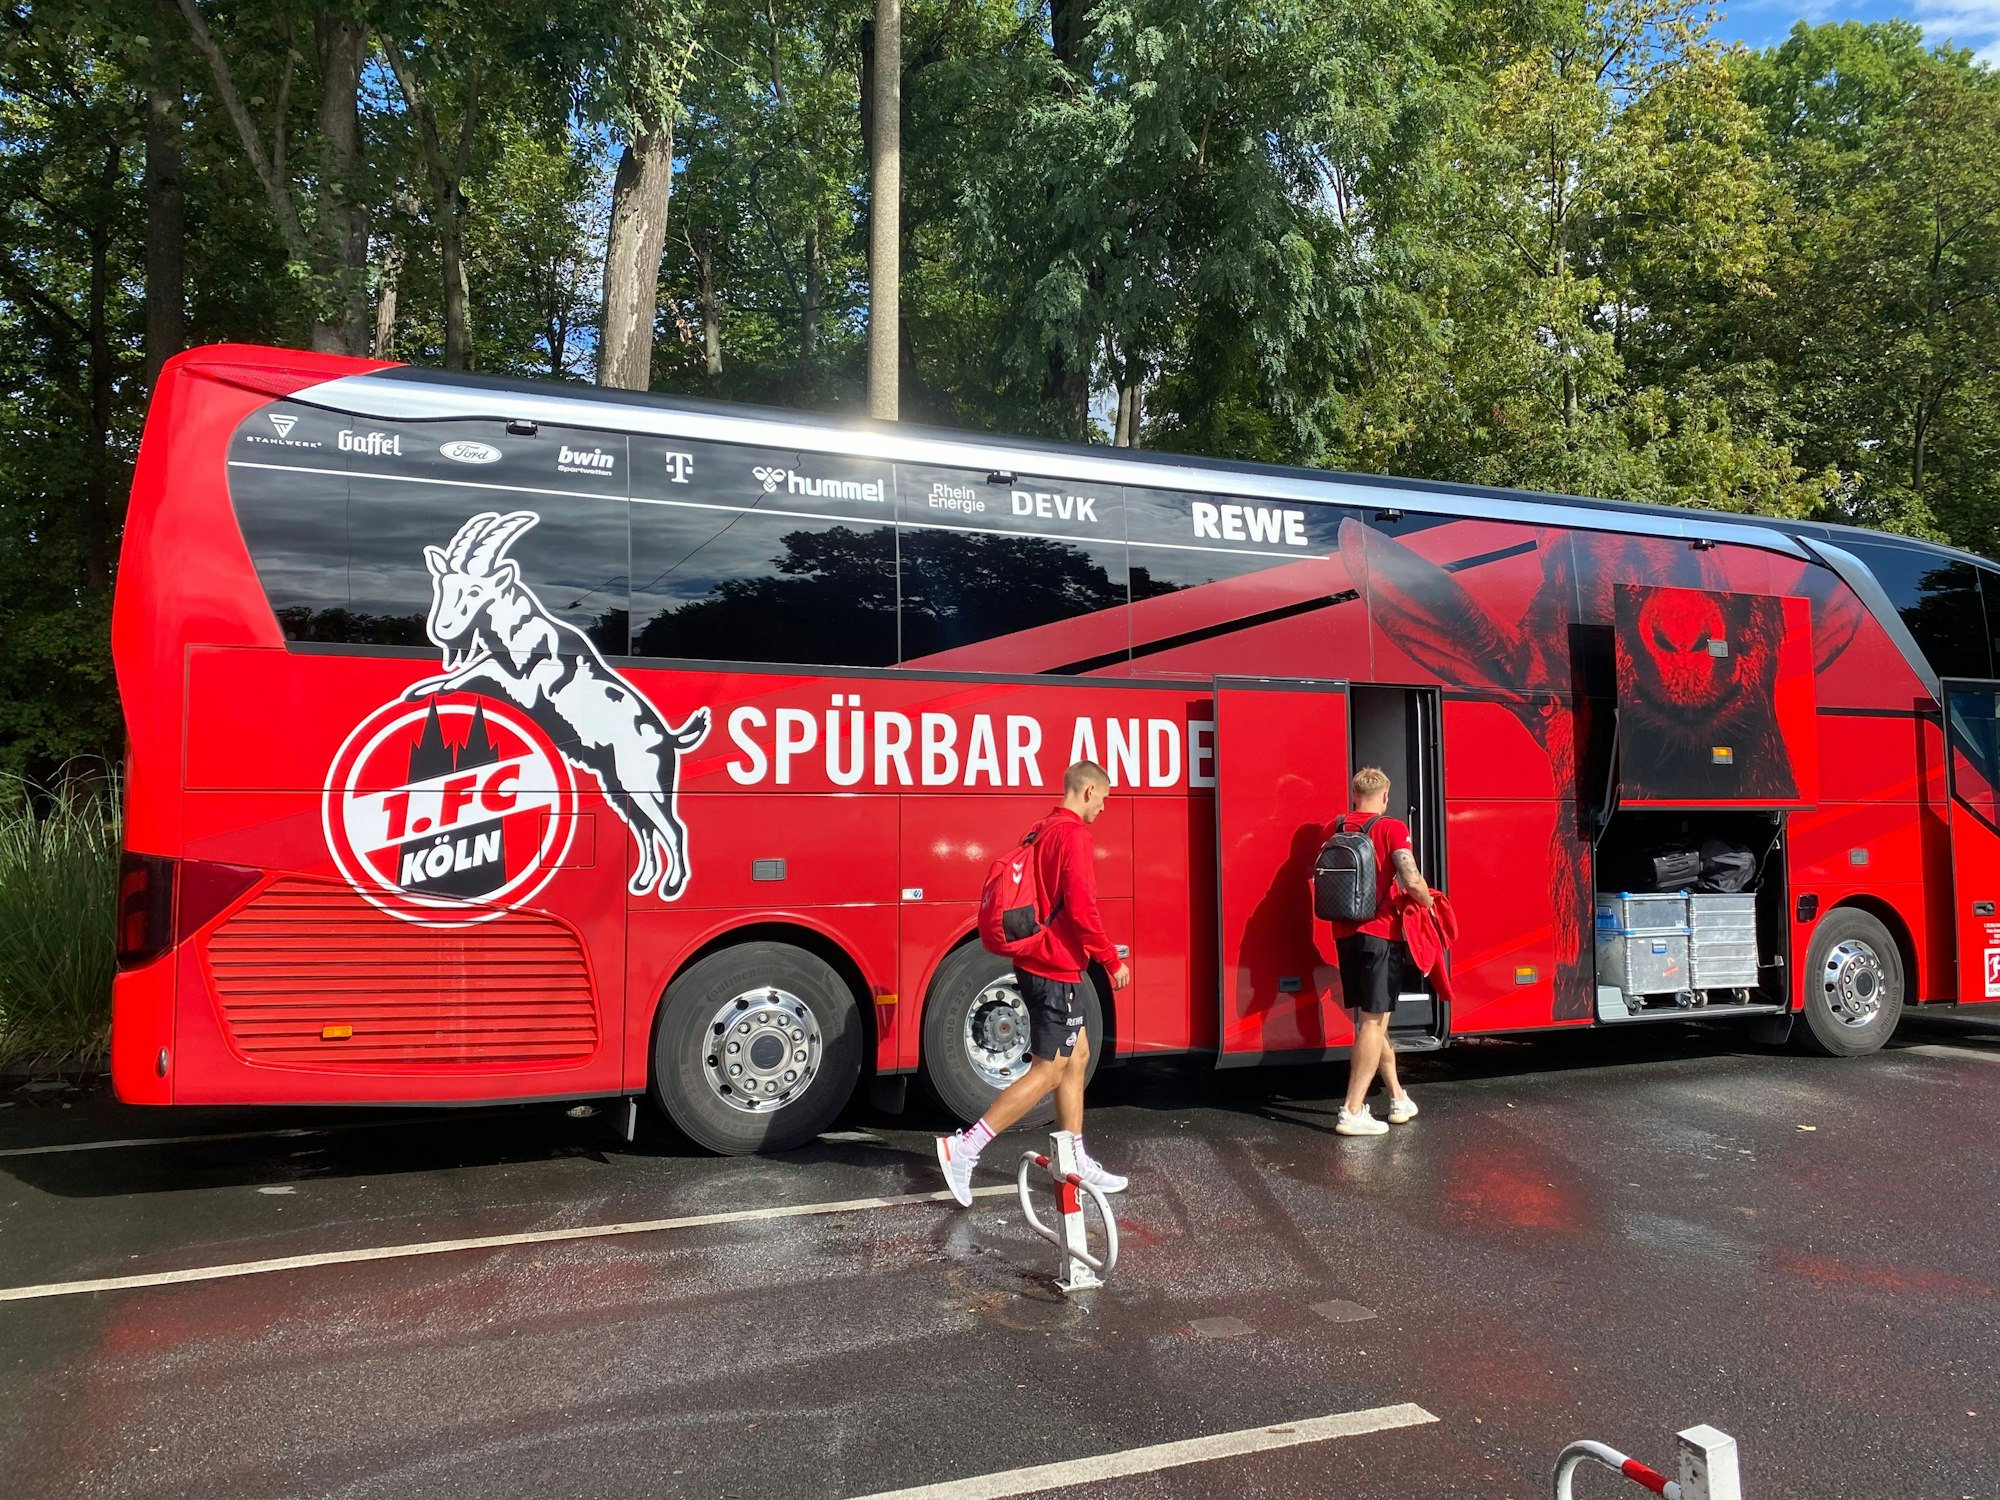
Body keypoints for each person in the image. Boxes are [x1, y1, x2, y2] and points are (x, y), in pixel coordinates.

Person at [936, 761, 1133, 1205]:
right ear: (1087, 791)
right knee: (1049, 1070)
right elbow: (1082, 907)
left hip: (1043, 963)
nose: (1104, 808)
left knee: (1078, 1055)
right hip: (1053, 967)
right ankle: (965, 1149)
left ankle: (1074, 1160)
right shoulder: (1074, 835)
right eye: (1104, 798)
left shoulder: (1042, 829)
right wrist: (1109, 959)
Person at [1327, 766, 1434, 1136]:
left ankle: (1398, 1098)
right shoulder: (1391, 828)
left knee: (1374, 1022)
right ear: (1385, 796)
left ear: (1354, 794)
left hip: (1345, 933)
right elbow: (1411, 877)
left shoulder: (1336, 827)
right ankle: (1352, 1110)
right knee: (1374, 1023)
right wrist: (1428, 903)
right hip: (1380, 935)